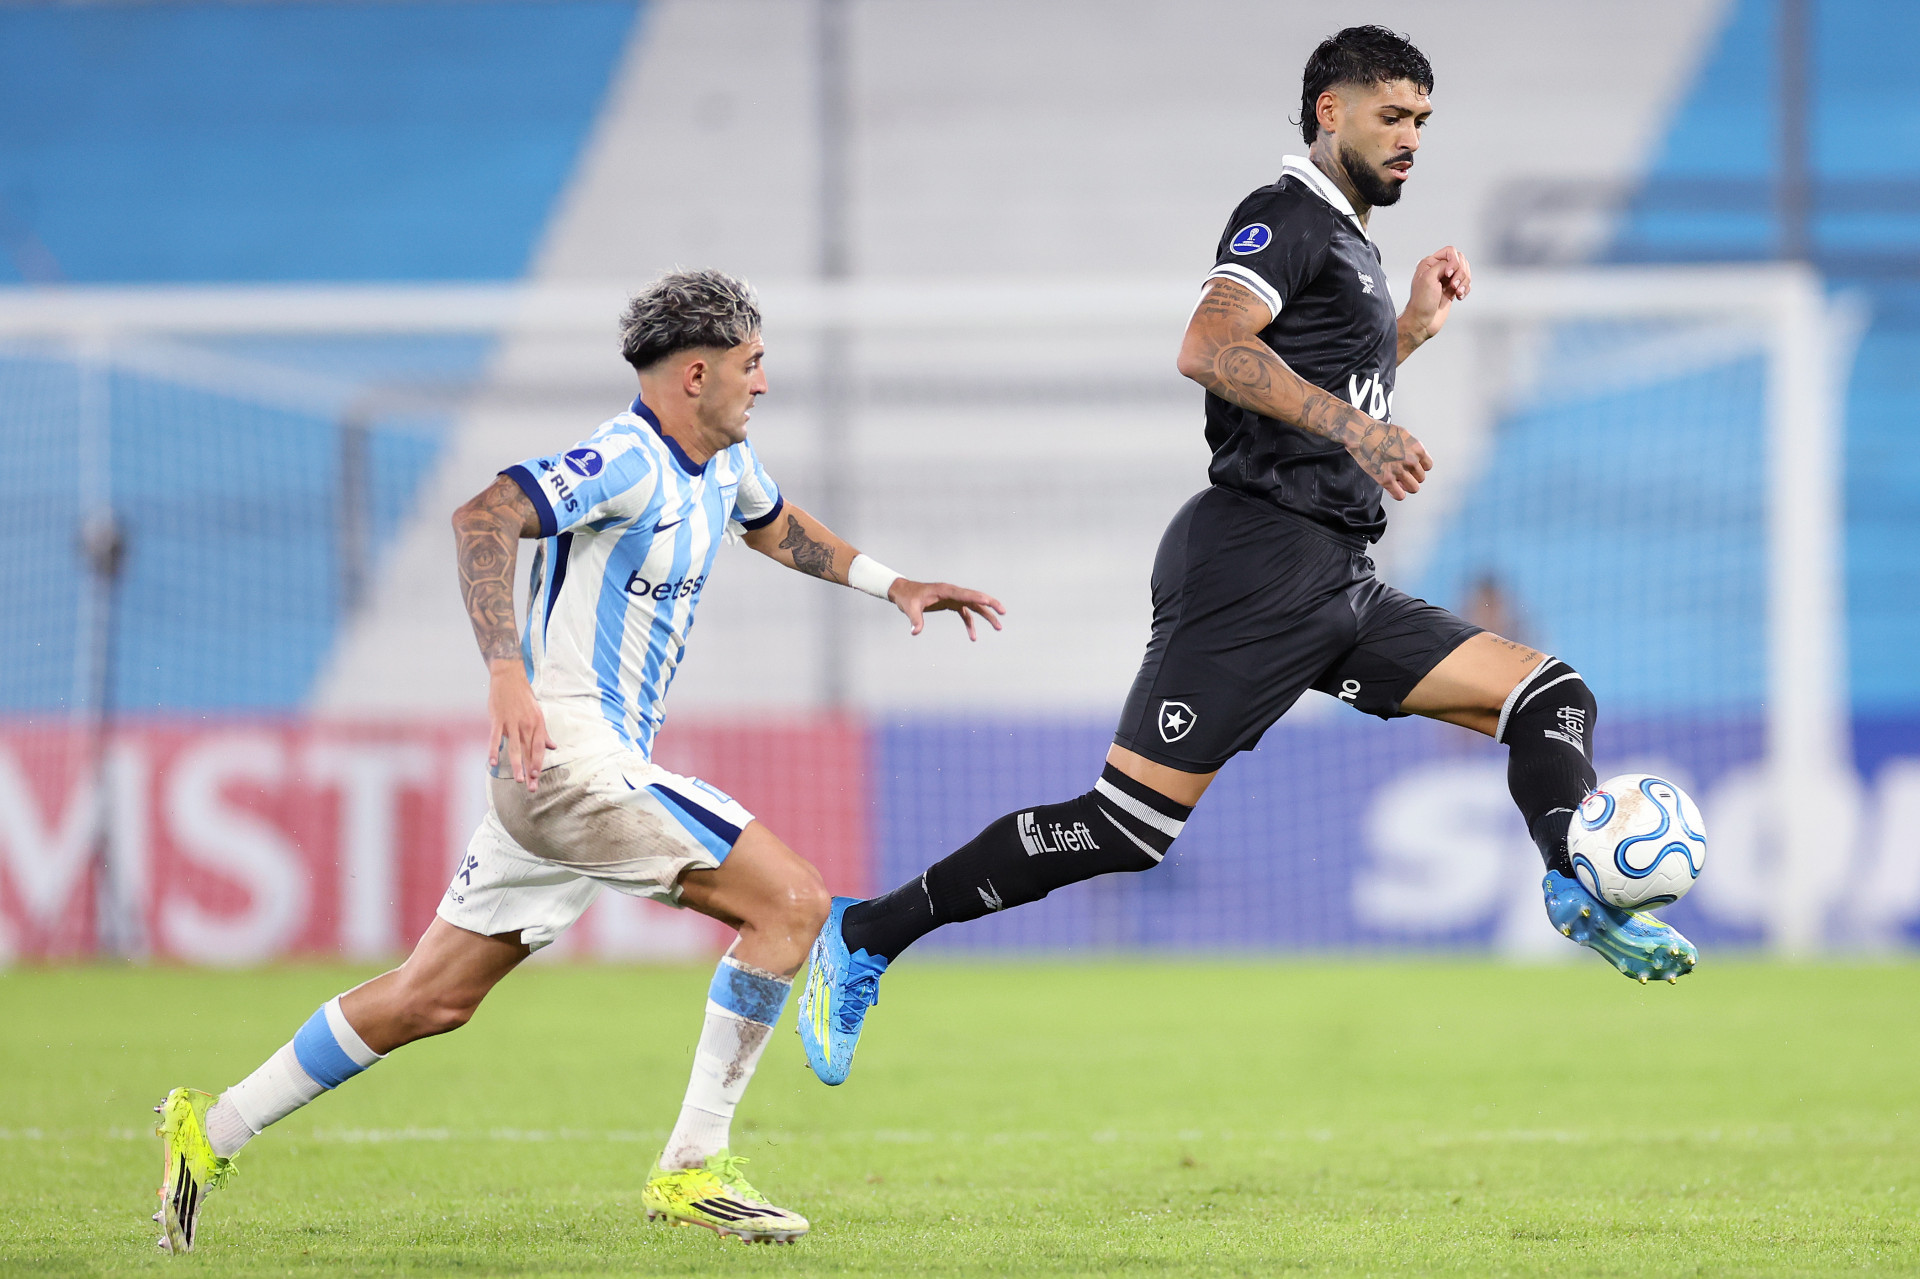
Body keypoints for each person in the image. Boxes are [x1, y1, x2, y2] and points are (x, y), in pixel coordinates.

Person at [795, 25, 1697, 1088]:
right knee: (1123, 828)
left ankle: (1570, 881)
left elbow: (1308, 385)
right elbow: (1209, 347)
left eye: (1422, 122)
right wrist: (1361, 429)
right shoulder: (1285, 217)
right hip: (1252, 565)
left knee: (1548, 694)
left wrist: (1405, 331)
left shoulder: (1354, 245)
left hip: (1338, 576)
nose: (1411, 139)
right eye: (1391, 116)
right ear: (1330, 111)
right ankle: (866, 936)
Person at [151, 269, 1004, 1251]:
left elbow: (775, 525)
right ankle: (692, 1168)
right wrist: (505, 671)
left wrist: (893, 583)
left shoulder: (724, 462)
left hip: (555, 781)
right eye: (751, 364)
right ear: (694, 375)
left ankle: (209, 1127)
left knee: (435, 995)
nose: (763, 382)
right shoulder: (624, 460)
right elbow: (482, 516)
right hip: (568, 754)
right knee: (796, 904)